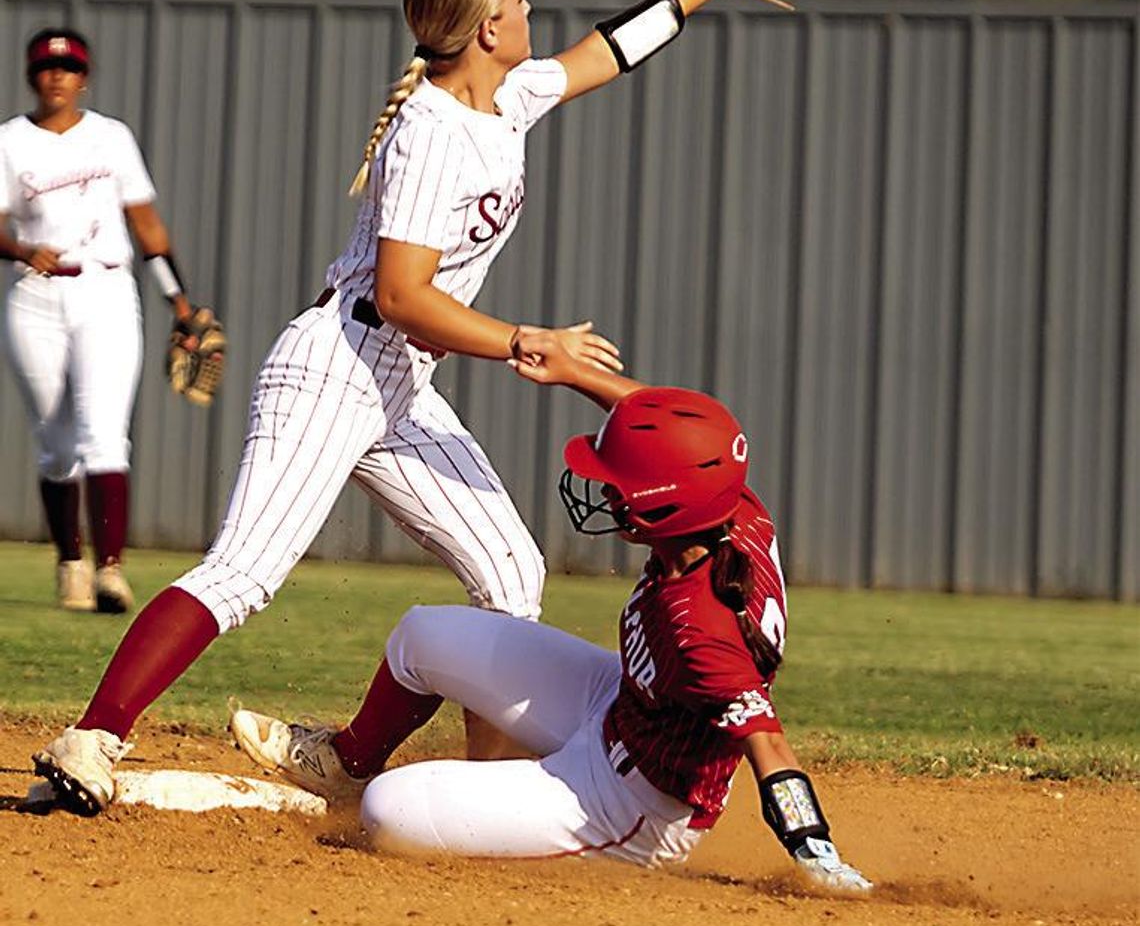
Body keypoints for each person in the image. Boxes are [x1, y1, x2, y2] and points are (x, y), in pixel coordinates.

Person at [31, 0, 725, 814]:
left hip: (399, 381)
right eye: (515, 1)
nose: (528, 11)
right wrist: (522, 341)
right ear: (482, 29)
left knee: (510, 575)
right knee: (244, 573)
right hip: (335, 365)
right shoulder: (432, 135)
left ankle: (379, 770)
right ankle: (92, 736)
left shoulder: (507, 95)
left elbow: (606, 52)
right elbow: (401, 295)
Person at [227, 336, 872, 891]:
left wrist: (815, 852)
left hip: (630, 803)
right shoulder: (732, 510)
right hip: (620, 705)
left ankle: (554, 825)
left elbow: (769, 745)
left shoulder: (701, 627)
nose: (604, 487)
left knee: (389, 811)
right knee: (422, 634)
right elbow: (672, 431)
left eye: (618, 483)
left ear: (663, 508)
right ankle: (345, 762)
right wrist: (576, 372)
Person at [1, 28, 203, 614]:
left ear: (84, 76)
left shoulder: (110, 138)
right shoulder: (12, 141)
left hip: (106, 290)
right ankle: (71, 563)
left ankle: (111, 570)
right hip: (34, 297)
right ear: (30, 75)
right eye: (45, 66)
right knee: (55, 443)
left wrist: (179, 300)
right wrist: (18, 250)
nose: (57, 76)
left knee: (105, 433)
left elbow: (146, 225)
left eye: (68, 67)